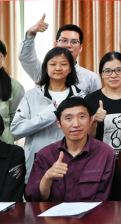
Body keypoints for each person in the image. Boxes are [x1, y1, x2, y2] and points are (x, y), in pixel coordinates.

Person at [11, 47, 83, 179]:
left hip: (71, 163)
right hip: (37, 163)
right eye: (53, 64)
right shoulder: (31, 95)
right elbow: (16, 130)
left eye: (63, 64)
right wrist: (49, 115)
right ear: (46, 67)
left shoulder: (80, 97)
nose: (58, 68)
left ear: (70, 68)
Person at [25, 97, 115, 202]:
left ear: (91, 120)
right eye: (68, 118)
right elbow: (34, 199)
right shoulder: (45, 154)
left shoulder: (105, 153)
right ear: (59, 123)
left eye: (82, 117)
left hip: (93, 212)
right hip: (53, 212)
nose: (76, 124)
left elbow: (104, 198)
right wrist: (47, 177)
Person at [19, 15, 100, 94]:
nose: (68, 45)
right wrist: (31, 33)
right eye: (64, 40)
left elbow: (96, 101)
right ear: (56, 44)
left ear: (80, 48)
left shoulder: (91, 78)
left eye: (74, 42)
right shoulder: (43, 71)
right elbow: (26, 58)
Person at [85, 52, 121, 152]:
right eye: (107, 71)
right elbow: (85, 138)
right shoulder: (90, 99)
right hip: (99, 158)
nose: (113, 75)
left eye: (119, 70)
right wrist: (94, 120)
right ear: (101, 74)